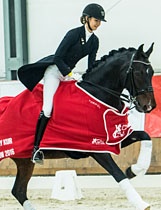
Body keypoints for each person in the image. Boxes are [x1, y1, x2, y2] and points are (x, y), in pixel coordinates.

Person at [17, 3, 106, 164]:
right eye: (96, 20)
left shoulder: (95, 41)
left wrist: (94, 77)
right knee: (48, 108)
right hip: (55, 72)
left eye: (100, 21)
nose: (97, 24)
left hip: (69, 75)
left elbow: (91, 64)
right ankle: (36, 148)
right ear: (86, 18)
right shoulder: (73, 34)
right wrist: (71, 74)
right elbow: (58, 57)